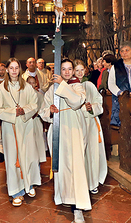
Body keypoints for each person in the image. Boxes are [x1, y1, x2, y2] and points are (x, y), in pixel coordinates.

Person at [40, 58, 90, 223]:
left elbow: (76, 102)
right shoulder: (51, 90)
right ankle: (64, 197)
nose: (67, 72)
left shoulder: (77, 86)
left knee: (76, 168)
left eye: (70, 69)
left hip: (74, 131)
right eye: (64, 69)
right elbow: (43, 111)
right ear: (59, 71)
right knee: (62, 168)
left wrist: (62, 84)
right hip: (58, 131)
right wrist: (51, 111)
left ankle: (78, 207)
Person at [0, 58, 41, 207]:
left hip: (26, 125)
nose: (14, 71)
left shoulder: (27, 87)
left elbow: (35, 103)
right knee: (13, 158)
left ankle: (29, 185)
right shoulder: (1, 89)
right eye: (11, 68)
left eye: (16, 68)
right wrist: (14, 112)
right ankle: (16, 191)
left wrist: (24, 110)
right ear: (7, 70)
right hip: (10, 126)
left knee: (29, 155)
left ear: (20, 69)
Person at [73, 59, 107, 195]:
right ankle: (79, 183)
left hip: (90, 122)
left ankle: (92, 182)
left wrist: (91, 107)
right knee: (79, 154)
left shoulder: (89, 85)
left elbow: (99, 102)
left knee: (91, 153)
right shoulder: (69, 86)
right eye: (77, 70)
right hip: (76, 124)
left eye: (82, 70)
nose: (80, 73)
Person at [107, 41, 131, 128]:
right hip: (121, 99)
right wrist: (120, 93)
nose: (124, 53)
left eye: (127, 50)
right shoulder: (115, 66)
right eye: (122, 51)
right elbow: (111, 83)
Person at [26, 76, 47, 163]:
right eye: (29, 83)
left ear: (36, 84)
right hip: (27, 121)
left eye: (33, 83)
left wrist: (38, 113)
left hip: (37, 120)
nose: (31, 84)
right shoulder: (23, 95)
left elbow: (43, 107)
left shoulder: (40, 95)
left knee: (38, 140)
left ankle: (38, 160)